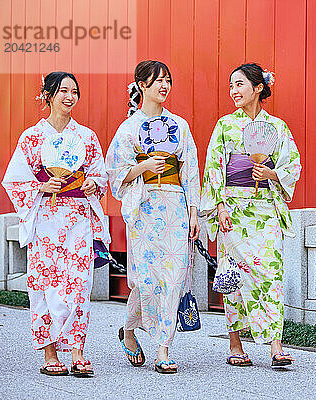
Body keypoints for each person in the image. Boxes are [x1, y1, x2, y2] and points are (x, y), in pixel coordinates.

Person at [2, 71, 110, 377]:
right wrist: (39, 188)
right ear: (48, 95)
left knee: (80, 284)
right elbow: (14, 180)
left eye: (74, 92)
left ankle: (77, 351)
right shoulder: (32, 137)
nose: (70, 96)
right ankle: (50, 352)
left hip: (77, 218)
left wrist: (91, 184)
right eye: (63, 90)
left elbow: (99, 175)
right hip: (45, 219)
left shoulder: (86, 137)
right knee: (45, 284)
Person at [200, 63, 301, 367]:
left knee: (271, 273)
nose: (234, 91)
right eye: (231, 86)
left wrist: (272, 172)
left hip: (264, 208)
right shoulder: (225, 126)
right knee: (233, 276)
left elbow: (292, 164)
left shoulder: (278, 127)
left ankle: (276, 345)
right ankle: (235, 344)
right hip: (232, 209)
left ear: (258, 88)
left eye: (240, 84)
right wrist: (218, 207)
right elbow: (215, 167)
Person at [106, 60, 200, 374]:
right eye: (157, 81)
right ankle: (130, 331)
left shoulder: (180, 125)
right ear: (141, 85)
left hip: (174, 205)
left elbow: (190, 170)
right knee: (146, 279)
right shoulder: (128, 128)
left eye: (168, 80)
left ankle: (163, 348)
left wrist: (194, 210)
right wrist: (145, 167)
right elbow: (116, 173)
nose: (164, 86)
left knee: (172, 278)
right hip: (145, 206)